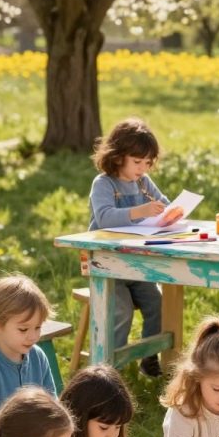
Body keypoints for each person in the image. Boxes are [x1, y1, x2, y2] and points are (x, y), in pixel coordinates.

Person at [89, 117, 172, 378]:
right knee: (121, 310)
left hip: (136, 265)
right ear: (117, 156)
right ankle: (110, 370)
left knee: (158, 303)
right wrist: (140, 211)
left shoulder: (143, 183)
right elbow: (104, 217)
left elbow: (164, 203)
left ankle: (149, 356)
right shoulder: (104, 184)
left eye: (147, 163)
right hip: (108, 266)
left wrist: (171, 212)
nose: (142, 168)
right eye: (137, 162)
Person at [0, 275, 56, 437]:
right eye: (23, 329)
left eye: (38, 327)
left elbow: (52, 406)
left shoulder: (38, 357)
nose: (33, 336)